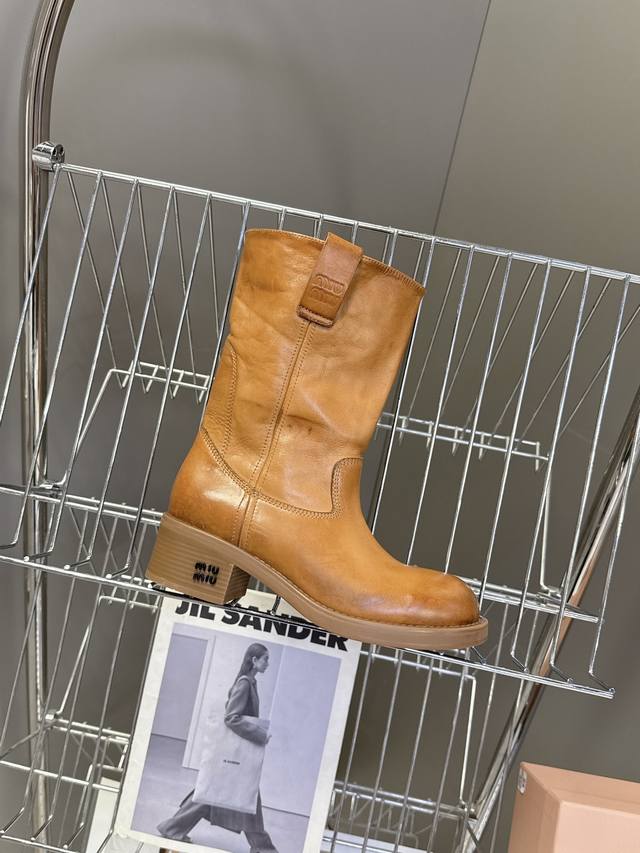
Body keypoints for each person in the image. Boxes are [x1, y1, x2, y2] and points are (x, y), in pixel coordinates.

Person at [157, 642, 279, 853]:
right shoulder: (245, 684)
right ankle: (262, 848)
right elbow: (231, 718)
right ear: (254, 660)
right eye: (265, 659)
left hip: (236, 755)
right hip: (237, 755)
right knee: (240, 797)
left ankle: (172, 828)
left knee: (214, 795)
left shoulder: (249, 682)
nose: (268, 663)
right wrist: (260, 735)